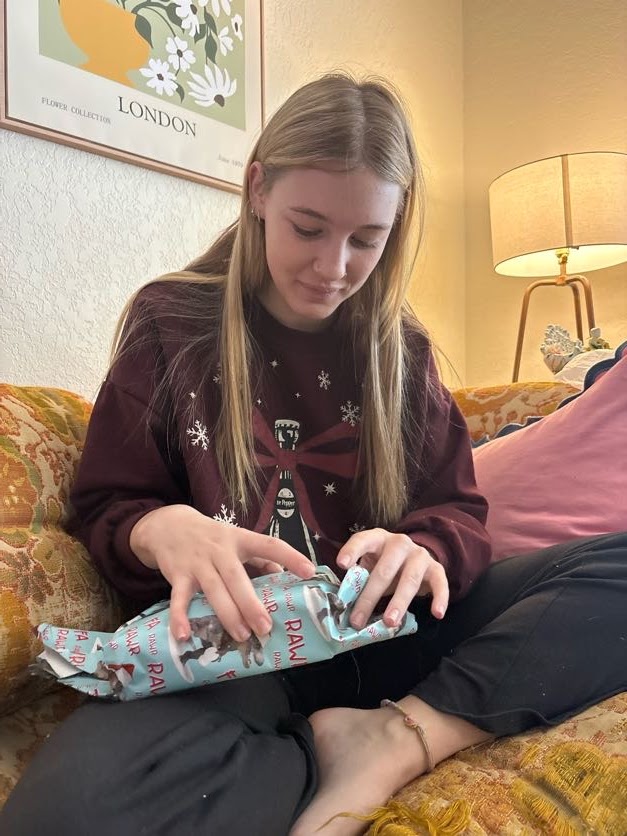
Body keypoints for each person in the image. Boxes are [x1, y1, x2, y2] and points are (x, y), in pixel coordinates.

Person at [2, 73, 625, 836]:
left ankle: (400, 736)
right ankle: (306, 752)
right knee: (67, 811)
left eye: (365, 239)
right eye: (308, 228)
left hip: (396, 633)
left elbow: (458, 513)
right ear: (258, 190)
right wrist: (159, 528)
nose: (333, 267)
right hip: (239, 650)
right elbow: (108, 504)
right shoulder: (171, 322)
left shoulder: (400, 349)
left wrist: (424, 547)